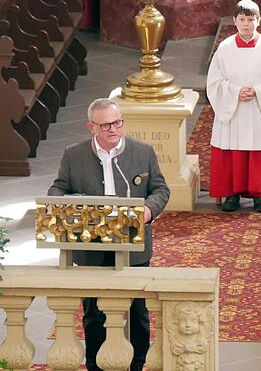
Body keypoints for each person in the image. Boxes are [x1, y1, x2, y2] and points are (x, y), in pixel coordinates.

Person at [48, 98, 170, 371]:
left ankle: (137, 365)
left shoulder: (143, 151)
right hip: (91, 245)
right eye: (106, 126)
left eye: (118, 123)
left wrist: (148, 211)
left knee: (137, 313)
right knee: (93, 313)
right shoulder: (73, 154)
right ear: (91, 127)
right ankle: (95, 365)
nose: (113, 129)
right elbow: (58, 188)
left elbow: (160, 190)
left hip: (132, 244)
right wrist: (63, 205)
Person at [207, 0, 261, 212]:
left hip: (258, 109)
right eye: (242, 19)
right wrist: (234, 91)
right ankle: (232, 194)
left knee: (258, 152)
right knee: (232, 151)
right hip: (233, 109)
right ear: (234, 21)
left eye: (250, 20)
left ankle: (259, 196)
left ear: (258, 21)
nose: (246, 24)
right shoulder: (224, 49)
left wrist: (259, 91)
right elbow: (214, 82)